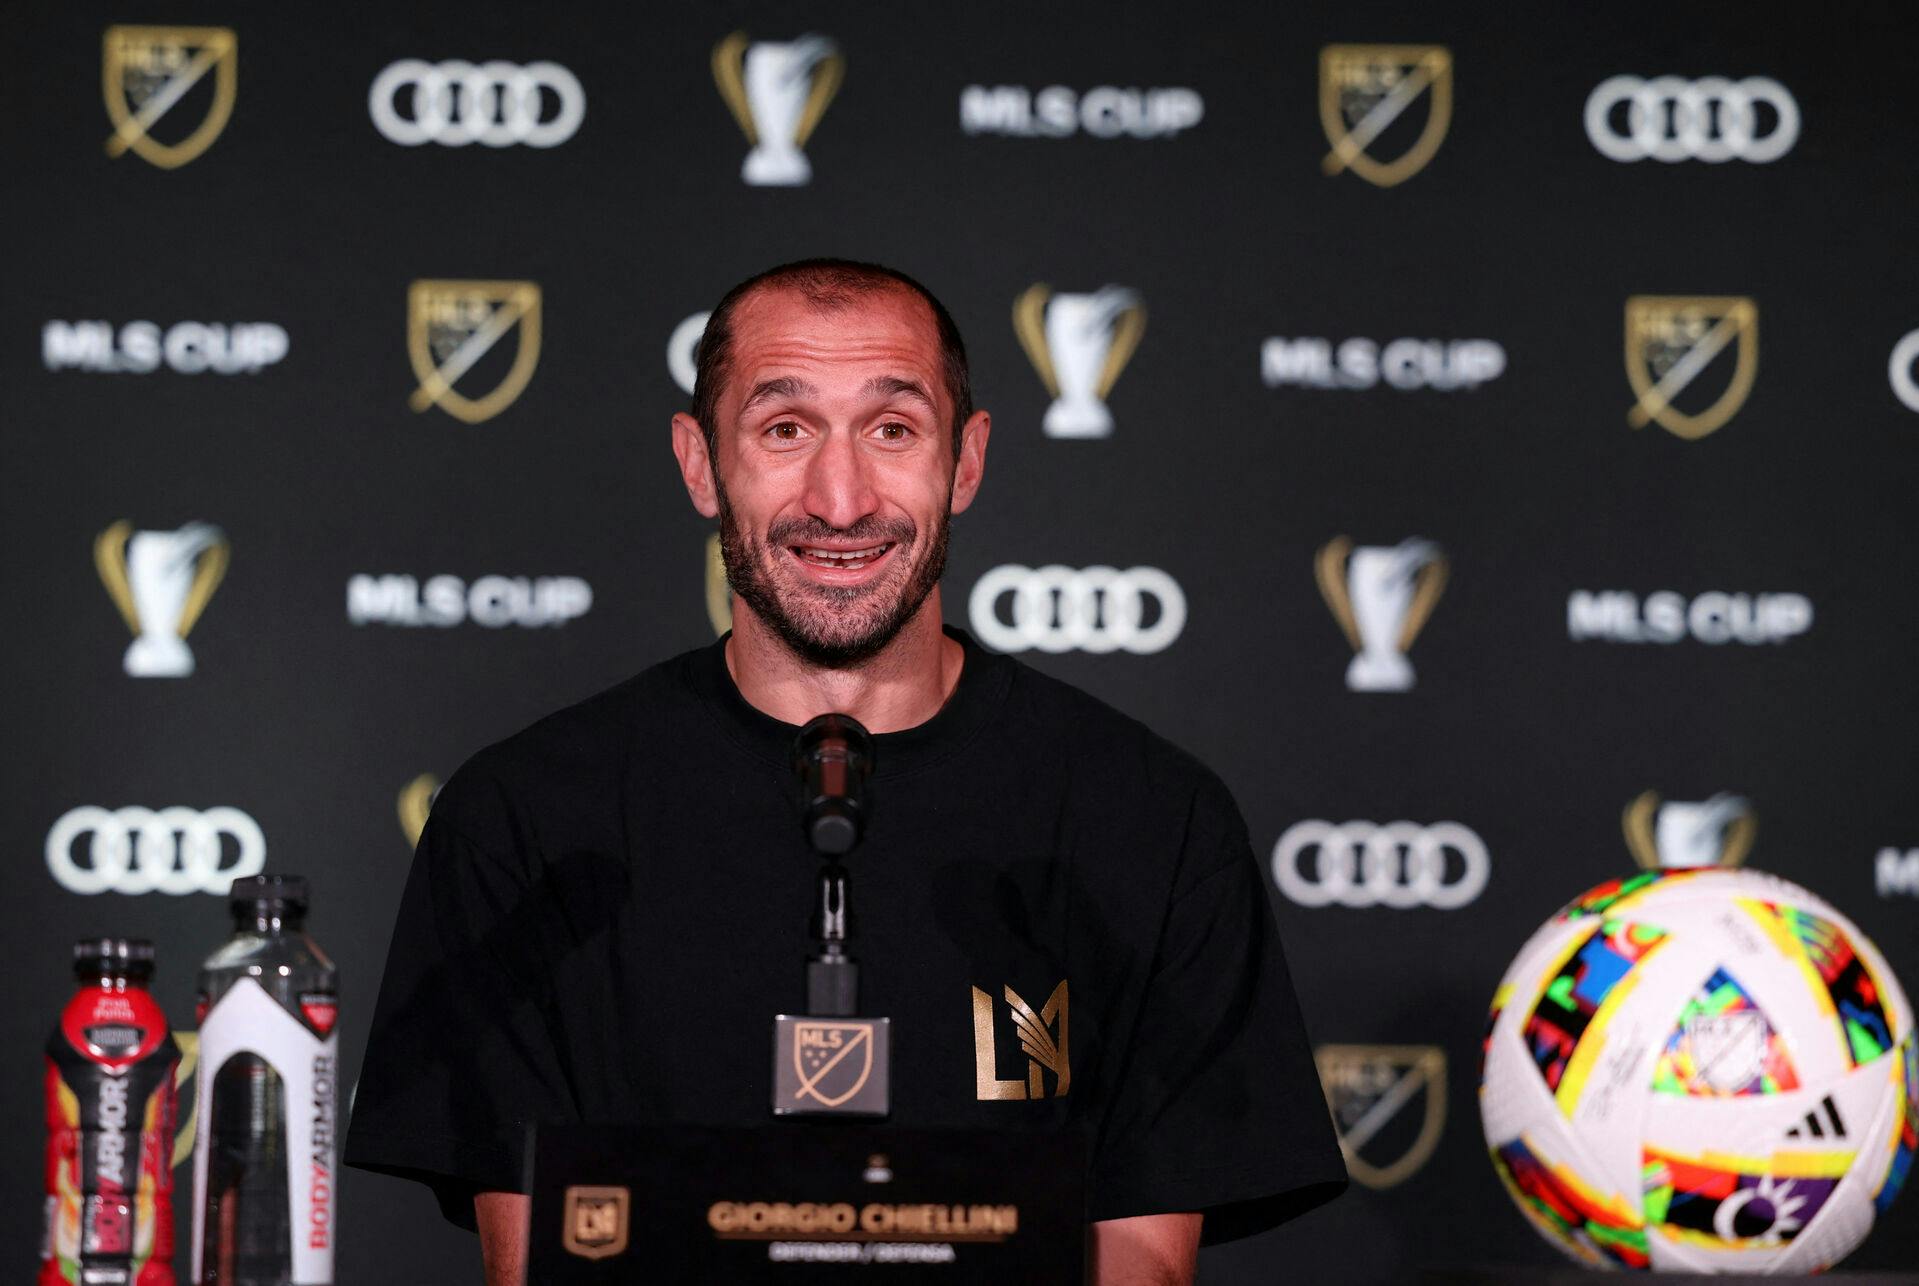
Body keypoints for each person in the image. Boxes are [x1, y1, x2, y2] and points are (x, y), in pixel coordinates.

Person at [343, 259, 1346, 1284]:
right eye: (785, 429)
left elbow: (1146, 1262)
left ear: (966, 461)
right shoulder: (526, 821)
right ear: (700, 463)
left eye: (893, 428)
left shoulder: (1149, 816)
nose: (840, 496)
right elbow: (539, 1263)